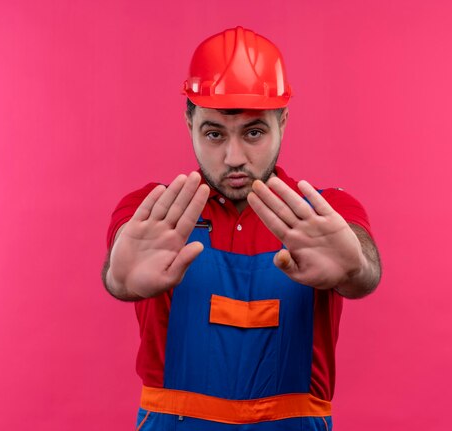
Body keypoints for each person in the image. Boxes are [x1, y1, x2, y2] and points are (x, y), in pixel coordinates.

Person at [102, 26, 381, 431]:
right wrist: (118, 277)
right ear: (188, 120)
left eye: (253, 132)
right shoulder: (153, 214)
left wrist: (355, 267)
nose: (234, 158)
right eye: (214, 133)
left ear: (283, 120)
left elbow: (365, 269)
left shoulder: (324, 215)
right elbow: (118, 270)